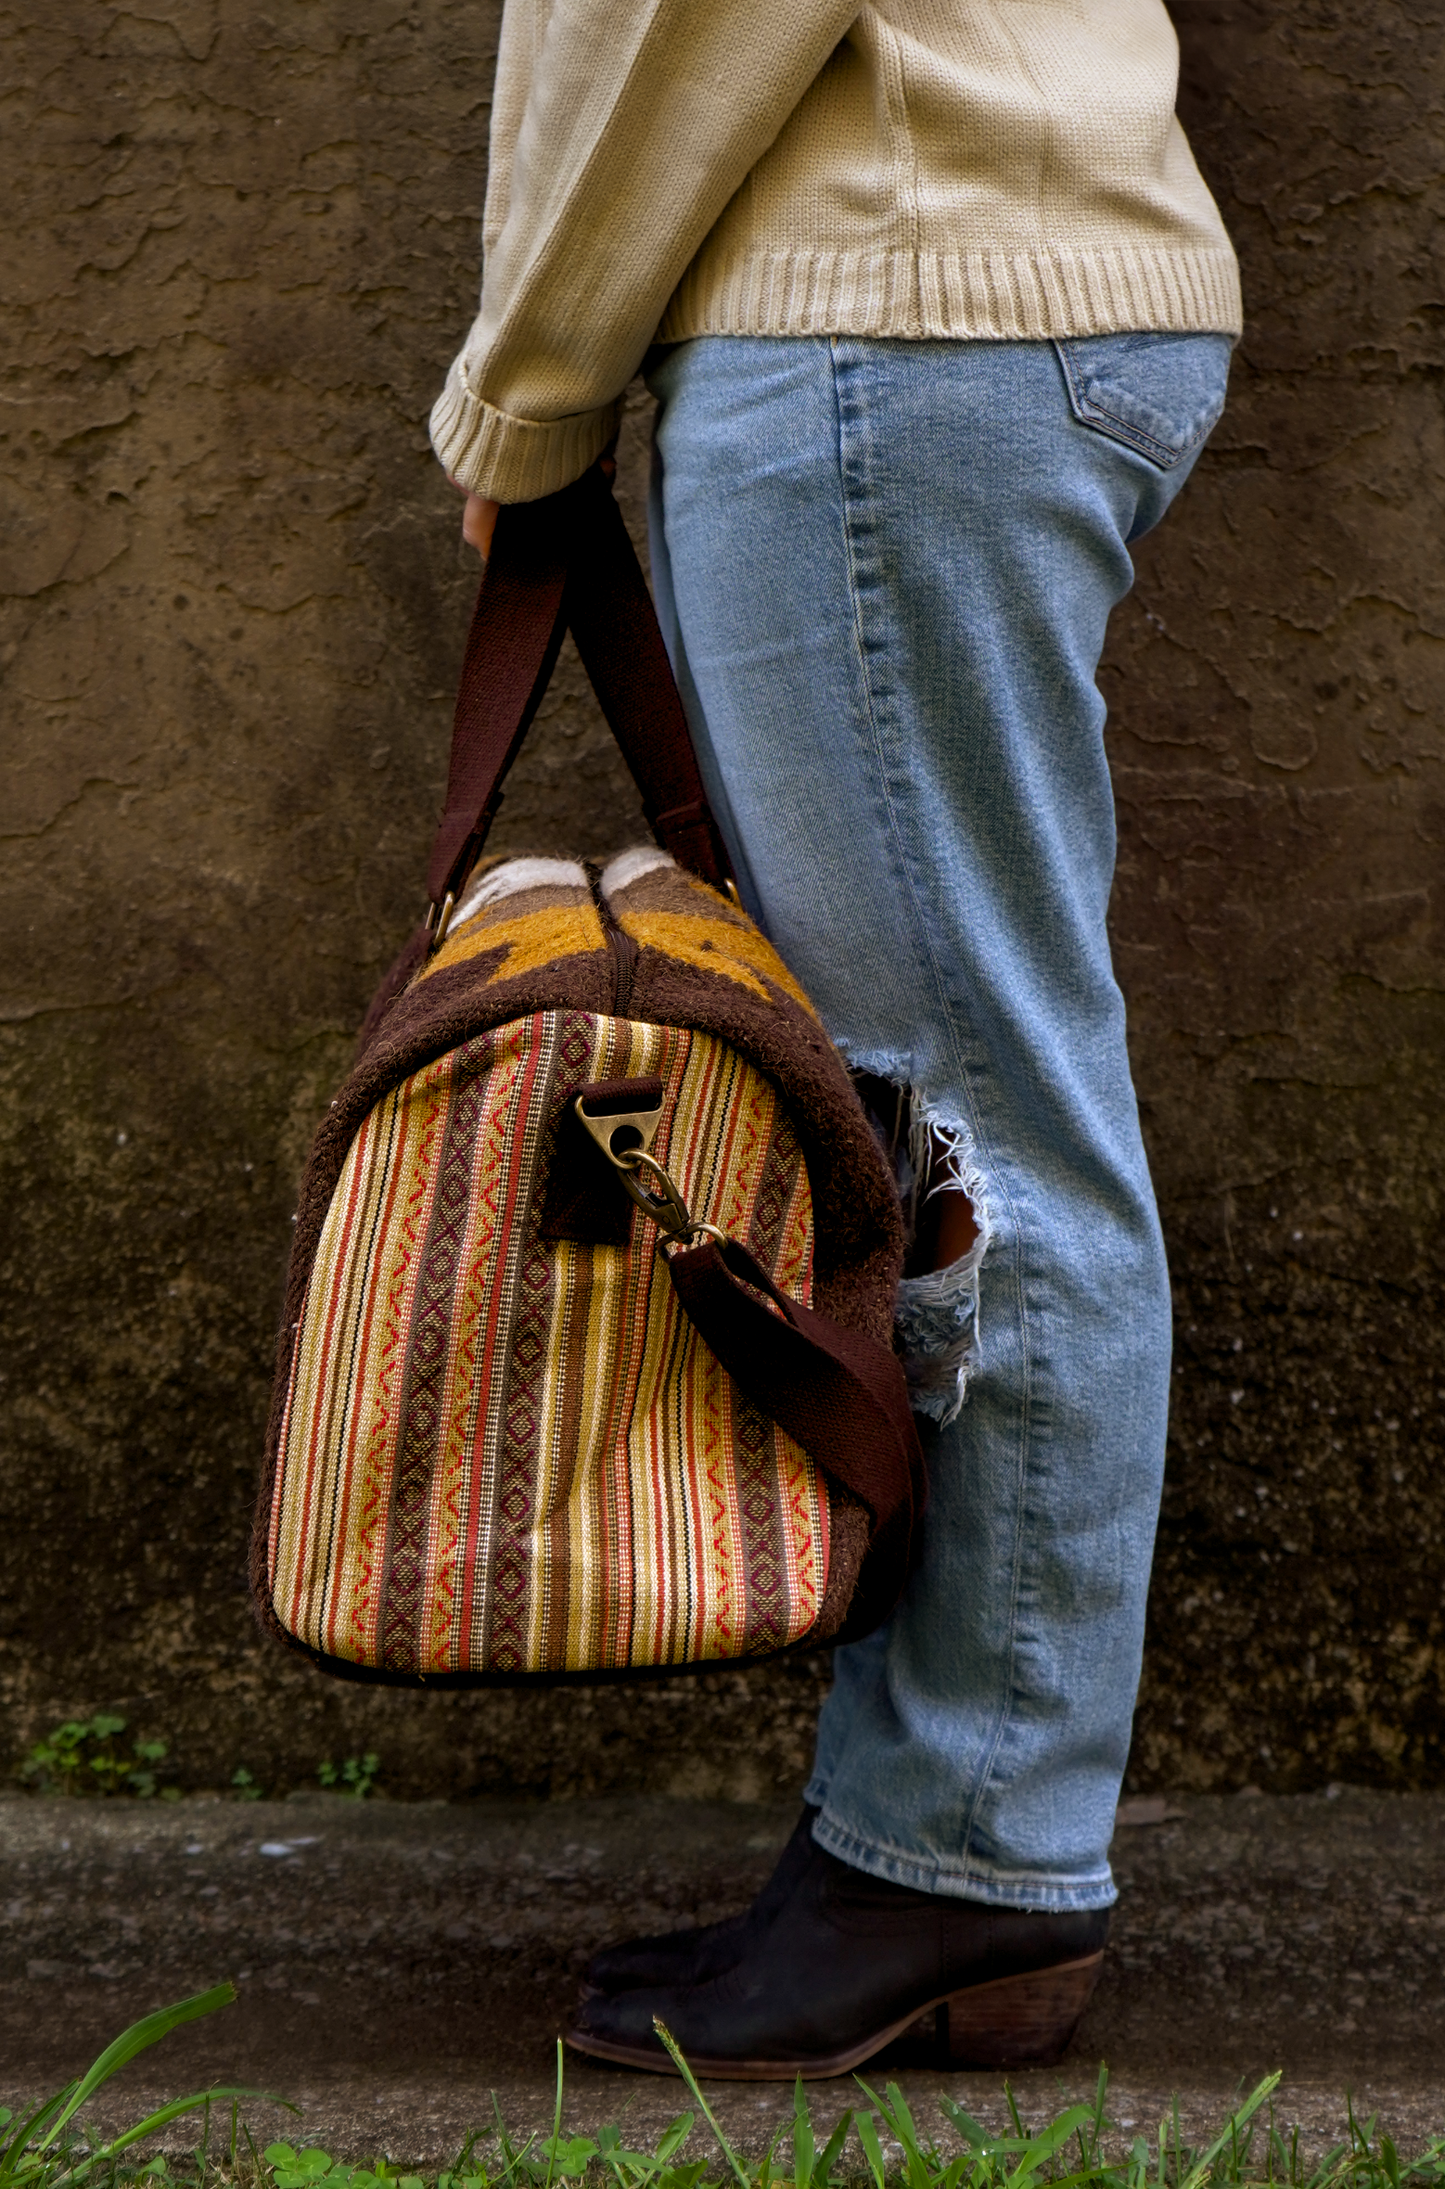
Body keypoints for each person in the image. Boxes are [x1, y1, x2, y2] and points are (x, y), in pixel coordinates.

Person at [432, 0, 1239, 2079]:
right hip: (963, 299)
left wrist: (530, 383)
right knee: (953, 1112)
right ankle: (933, 1835)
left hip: (889, 319)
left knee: (964, 1130)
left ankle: (965, 1851)